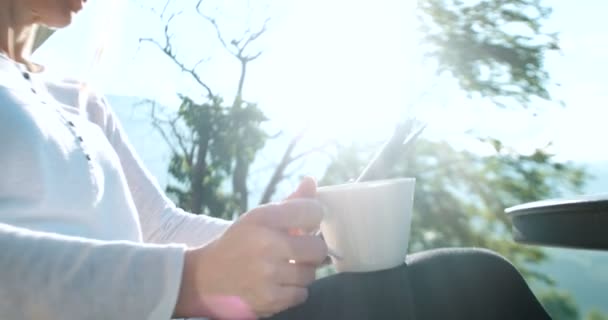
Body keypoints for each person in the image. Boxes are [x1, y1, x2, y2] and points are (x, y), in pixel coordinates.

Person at [0, 1, 550, 319]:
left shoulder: (78, 100)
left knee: (474, 287)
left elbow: (161, 227)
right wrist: (190, 280)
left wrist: (278, 248)